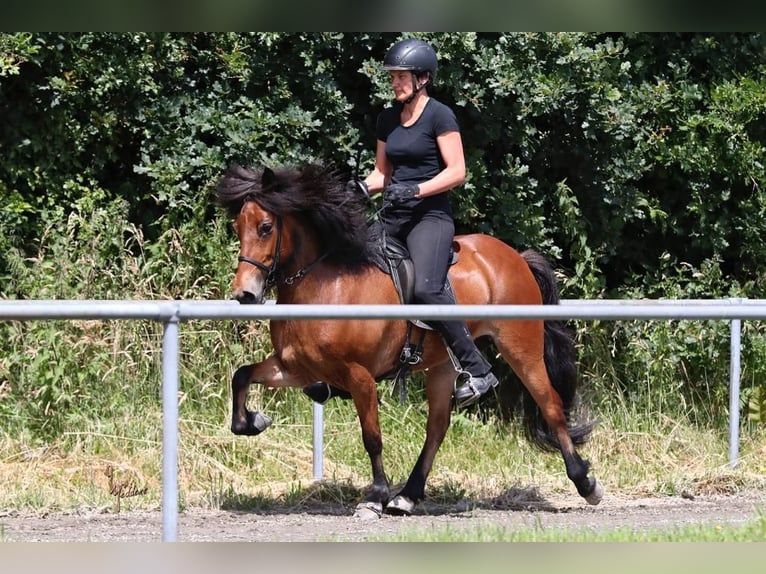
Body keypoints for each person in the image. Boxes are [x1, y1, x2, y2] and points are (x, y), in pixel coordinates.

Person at [351, 38, 498, 408]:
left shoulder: (439, 115)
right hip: (393, 215)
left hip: (430, 216)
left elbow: (458, 171)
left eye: (401, 76)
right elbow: (383, 173)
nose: (395, 82)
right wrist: (360, 189)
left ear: (423, 78)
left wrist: (416, 190)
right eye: (393, 77)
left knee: (428, 288)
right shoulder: (387, 119)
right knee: (354, 271)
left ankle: (477, 369)